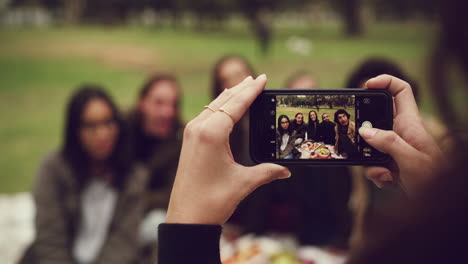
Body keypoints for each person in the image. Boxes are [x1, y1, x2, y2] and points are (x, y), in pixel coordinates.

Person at [20, 86, 148, 264]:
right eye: (91, 126)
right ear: (75, 131)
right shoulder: (54, 169)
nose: (102, 134)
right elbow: (50, 237)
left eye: (108, 123)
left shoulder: (133, 176)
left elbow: (123, 242)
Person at [127, 73, 183, 211]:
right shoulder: (121, 131)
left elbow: (174, 194)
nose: (167, 112)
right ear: (142, 103)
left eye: (173, 105)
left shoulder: (181, 140)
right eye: (159, 103)